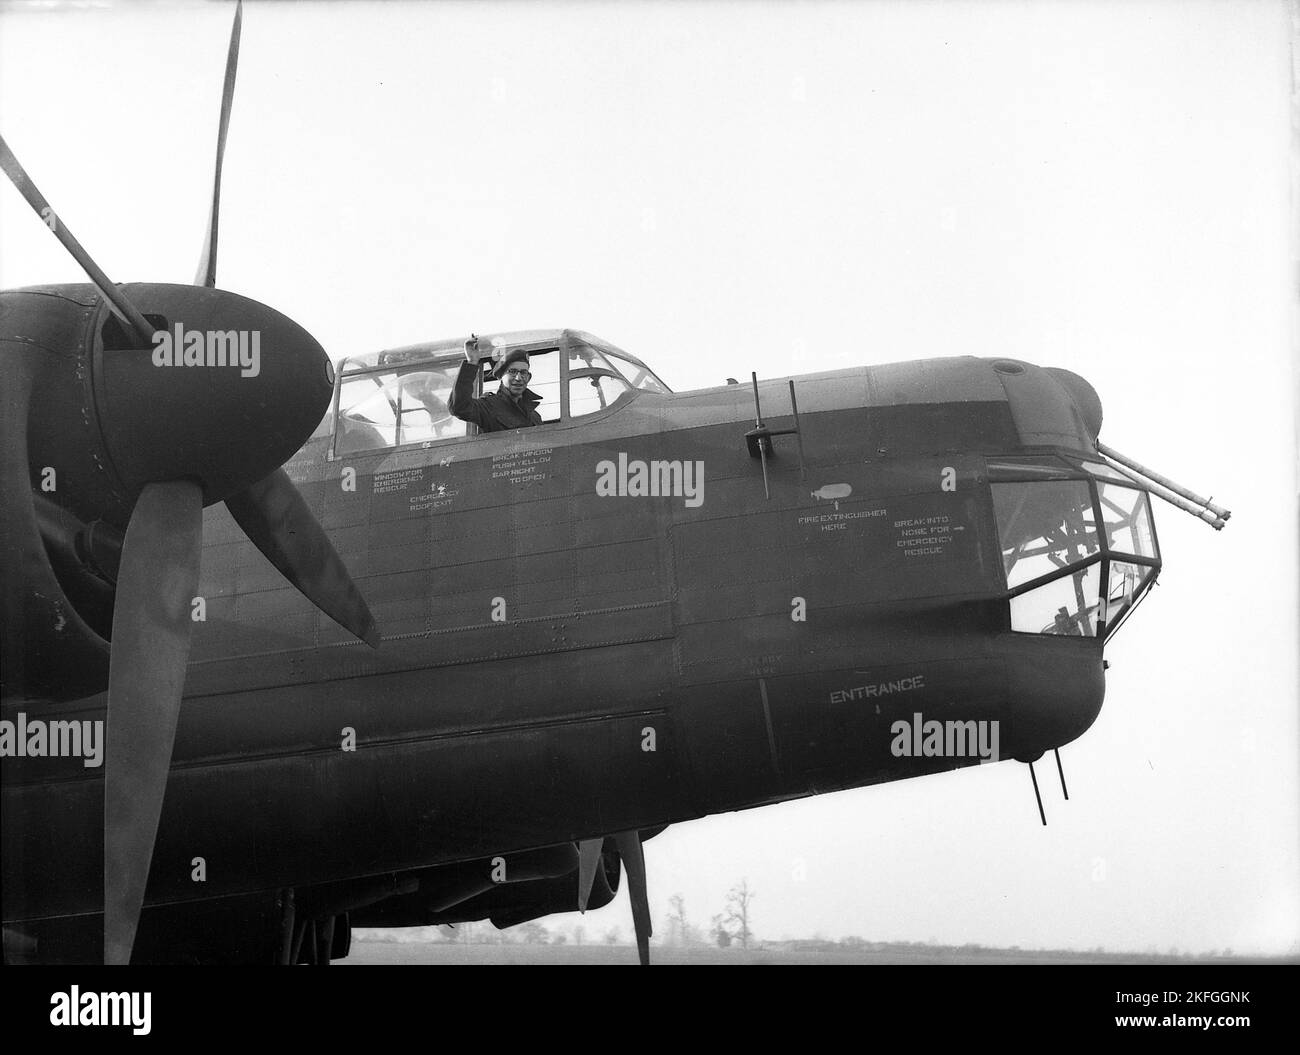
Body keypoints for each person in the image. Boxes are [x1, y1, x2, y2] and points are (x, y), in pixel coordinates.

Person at [448, 338, 542, 432]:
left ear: (529, 377)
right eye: (512, 372)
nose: (518, 378)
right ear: (501, 376)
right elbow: (459, 407)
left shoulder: (535, 417)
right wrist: (472, 362)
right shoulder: (488, 407)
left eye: (523, 372)